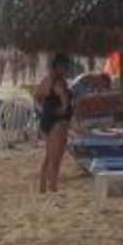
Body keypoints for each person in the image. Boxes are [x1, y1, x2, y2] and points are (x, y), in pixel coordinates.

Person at [34, 53, 75, 194]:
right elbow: (65, 102)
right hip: (58, 121)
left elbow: (37, 96)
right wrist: (62, 109)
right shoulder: (58, 82)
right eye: (65, 66)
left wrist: (44, 109)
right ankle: (53, 186)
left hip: (48, 119)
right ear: (58, 66)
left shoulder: (47, 80)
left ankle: (43, 185)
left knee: (50, 155)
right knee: (56, 156)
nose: (66, 68)